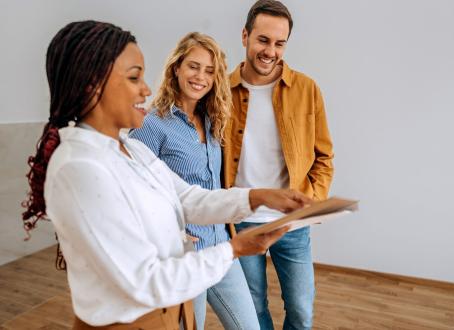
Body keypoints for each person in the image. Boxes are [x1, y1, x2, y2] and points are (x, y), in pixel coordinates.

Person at [21, 20, 311, 329]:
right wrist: (235, 249)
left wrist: (258, 197)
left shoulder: (130, 151)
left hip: (171, 307)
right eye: (134, 77)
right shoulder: (79, 168)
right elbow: (143, 281)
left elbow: (187, 197)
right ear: (93, 83)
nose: (146, 89)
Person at [130, 32, 260, 329]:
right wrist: (171, 233)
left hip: (222, 246)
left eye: (210, 70)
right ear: (176, 68)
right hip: (185, 256)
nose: (200, 76)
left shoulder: (213, 120)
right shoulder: (152, 124)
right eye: (193, 66)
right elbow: (136, 192)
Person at [222, 1, 335, 329]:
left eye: (279, 43)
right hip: (242, 219)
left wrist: (311, 199)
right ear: (245, 36)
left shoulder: (307, 89)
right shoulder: (220, 92)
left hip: (292, 223)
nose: (270, 51)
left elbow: (324, 156)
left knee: (301, 311)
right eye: (263, 40)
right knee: (253, 308)